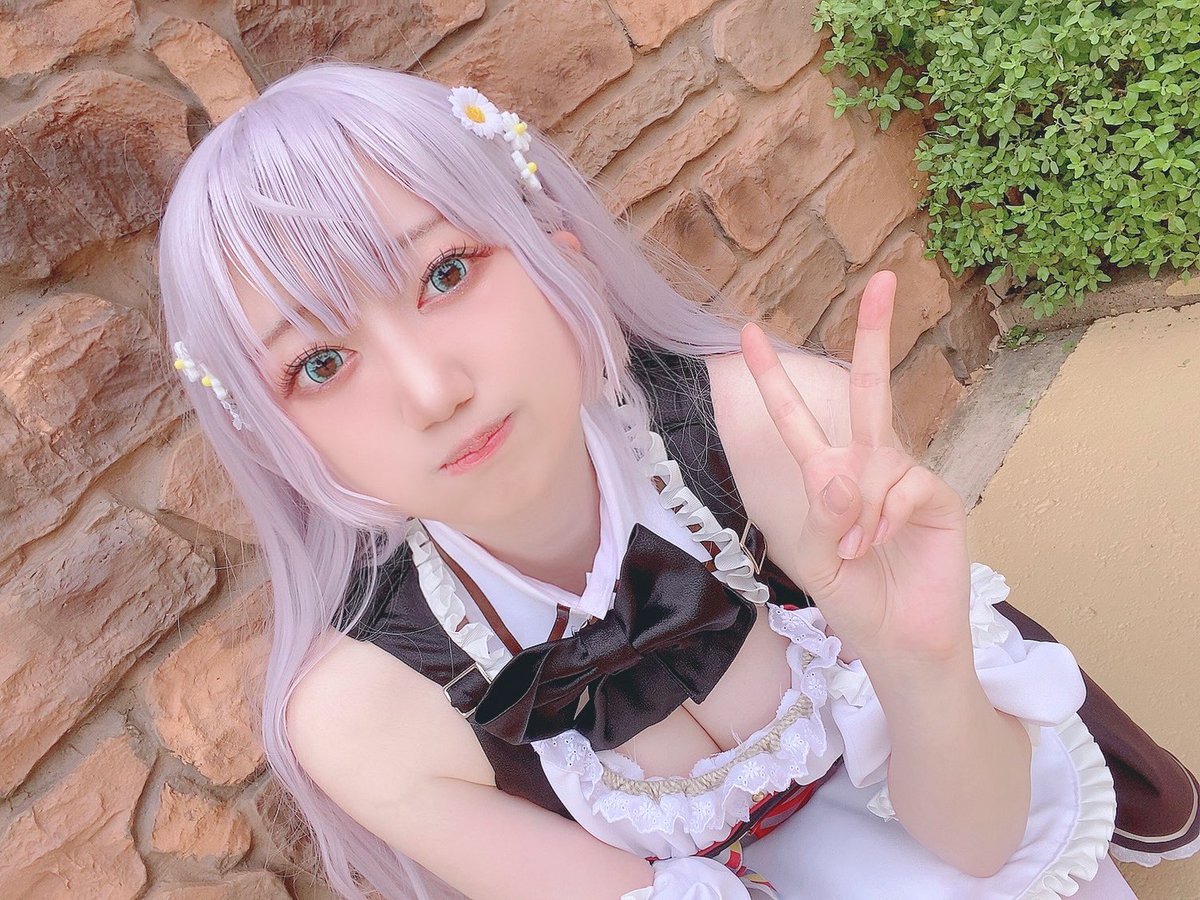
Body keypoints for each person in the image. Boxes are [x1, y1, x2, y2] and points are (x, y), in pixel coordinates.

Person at [157, 62, 1194, 899]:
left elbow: (982, 846)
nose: (433, 393)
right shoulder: (367, 716)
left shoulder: (775, 438)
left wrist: (920, 664)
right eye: (320, 364)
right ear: (281, 443)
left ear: (563, 256)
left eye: (446, 272)